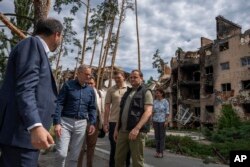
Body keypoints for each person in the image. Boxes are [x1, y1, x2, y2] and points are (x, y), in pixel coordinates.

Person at [0, 18, 63, 167]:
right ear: (57, 35)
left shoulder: (34, 48)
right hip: (21, 136)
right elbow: (25, 88)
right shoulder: (32, 44)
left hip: (23, 137)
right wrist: (35, 126)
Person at [53, 65, 96, 167]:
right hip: (65, 122)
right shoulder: (68, 85)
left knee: (74, 156)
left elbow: (92, 108)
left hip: (81, 124)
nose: (89, 76)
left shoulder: (90, 90)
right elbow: (59, 103)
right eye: (86, 74)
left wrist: (92, 123)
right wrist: (57, 122)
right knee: (61, 153)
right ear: (79, 73)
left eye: (90, 74)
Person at [114, 70, 153, 167]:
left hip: (137, 133)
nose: (132, 79)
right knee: (118, 159)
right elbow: (121, 112)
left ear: (141, 78)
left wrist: (137, 128)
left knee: (137, 162)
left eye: (135, 77)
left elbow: (148, 111)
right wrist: (116, 129)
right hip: (122, 131)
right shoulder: (128, 92)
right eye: (131, 77)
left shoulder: (146, 92)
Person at [103, 71, 130, 167]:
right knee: (114, 149)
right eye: (115, 78)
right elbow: (107, 108)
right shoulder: (110, 90)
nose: (116, 79)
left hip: (127, 122)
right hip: (113, 122)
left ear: (124, 77)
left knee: (127, 150)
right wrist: (105, 123)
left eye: (119, 77)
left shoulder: (129, 90)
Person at [78, 76, 105, 167]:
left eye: (91, 83)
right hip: (82, 121)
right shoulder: (81, 91)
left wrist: (103, 123)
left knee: (91, 146)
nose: (90, 85)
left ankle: (89, 165)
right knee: (80, 146)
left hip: (95, 122)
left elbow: (102, 109)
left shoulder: (100, 93)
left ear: (95, 83)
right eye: (88, 83)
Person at [152, 88, 169, 158]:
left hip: (162, 121)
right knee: (156, 137)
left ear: (162, 94)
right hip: (155, 120)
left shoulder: (165, 101)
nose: (157, 94)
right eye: (156, 93)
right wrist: (151, 120)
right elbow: (153, 111)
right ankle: (157, 151)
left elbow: (167, 112)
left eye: (158, 93)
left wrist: (166, 121)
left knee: (162, 137)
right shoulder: (155, 101)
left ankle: (161, 152)